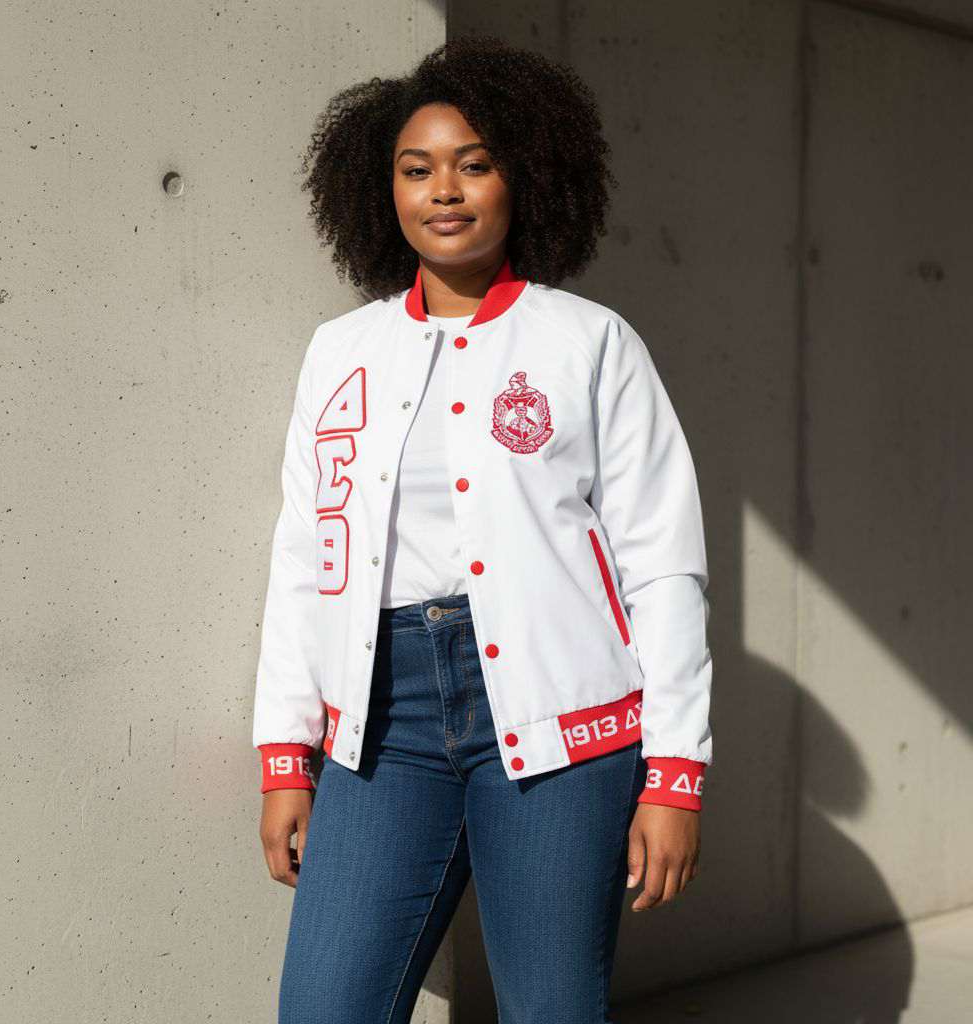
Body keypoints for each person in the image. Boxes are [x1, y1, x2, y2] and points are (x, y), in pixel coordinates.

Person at [253, 35, 713, 1024]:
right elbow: (306, 560)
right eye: (416, 170)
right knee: (323, 1008)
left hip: (561, 725)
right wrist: (285, 754)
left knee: (551, 1009)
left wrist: (675, 774)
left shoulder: (587, 342)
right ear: (383, 191)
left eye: (473, 163)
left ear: (524, 180)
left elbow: (662, 565)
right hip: (383, 726)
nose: (444, 190)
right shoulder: (341, 352)